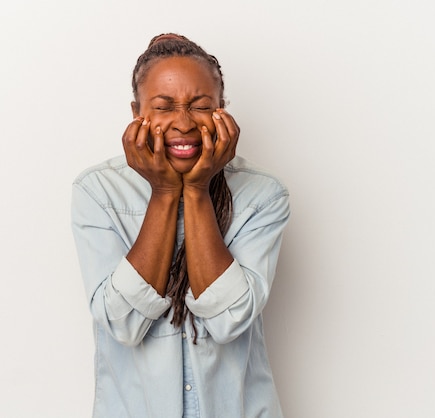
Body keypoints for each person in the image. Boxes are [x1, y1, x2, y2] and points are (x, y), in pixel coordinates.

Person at [71, 33, 290, 418]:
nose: (183, 122)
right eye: (164, 106)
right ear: (137, 112)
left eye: (200, 106)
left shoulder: (263, 195)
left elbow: (228, 319)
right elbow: (123, 323)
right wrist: (164, 191)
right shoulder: (99, 191)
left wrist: (198, 189)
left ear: (222, 109)